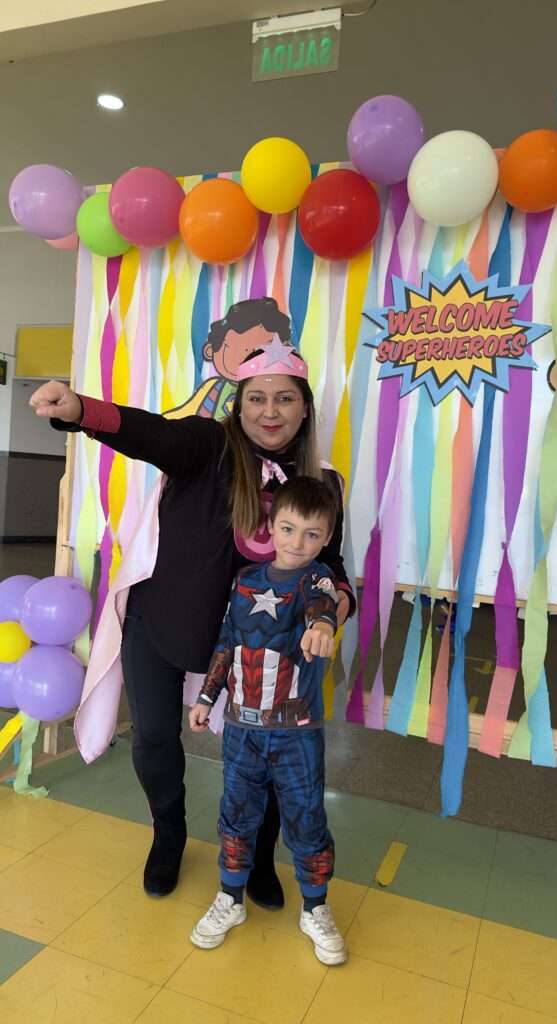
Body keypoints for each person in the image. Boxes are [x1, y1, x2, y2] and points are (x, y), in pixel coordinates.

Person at [29, 334, 355, 908]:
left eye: (284, 398)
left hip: (261, 647)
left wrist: (332, 614)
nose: (270, 411)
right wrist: (79, 410)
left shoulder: (322, 481)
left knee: (268, 754)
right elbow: (150, 433)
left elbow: (331, 566)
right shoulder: (208, 446)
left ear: (305, 408)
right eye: (256, 398)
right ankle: (168, 832)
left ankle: (259, 856)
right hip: (164, 620)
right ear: (239, 404)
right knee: (155, 737)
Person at [189, 475, 347, 966]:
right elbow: (226, 643)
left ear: (326, 537)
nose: (298, 543)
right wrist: (207, 697)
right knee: (236, 814)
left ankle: (315, 908)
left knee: (307, 817)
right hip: (241, 730)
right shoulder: (244, 581)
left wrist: (323, 624)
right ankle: (230, 898)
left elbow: (324, 605)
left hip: (297, 733)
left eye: (312, 534)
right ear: (271, 526)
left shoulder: (317, 580)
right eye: (288, 529)